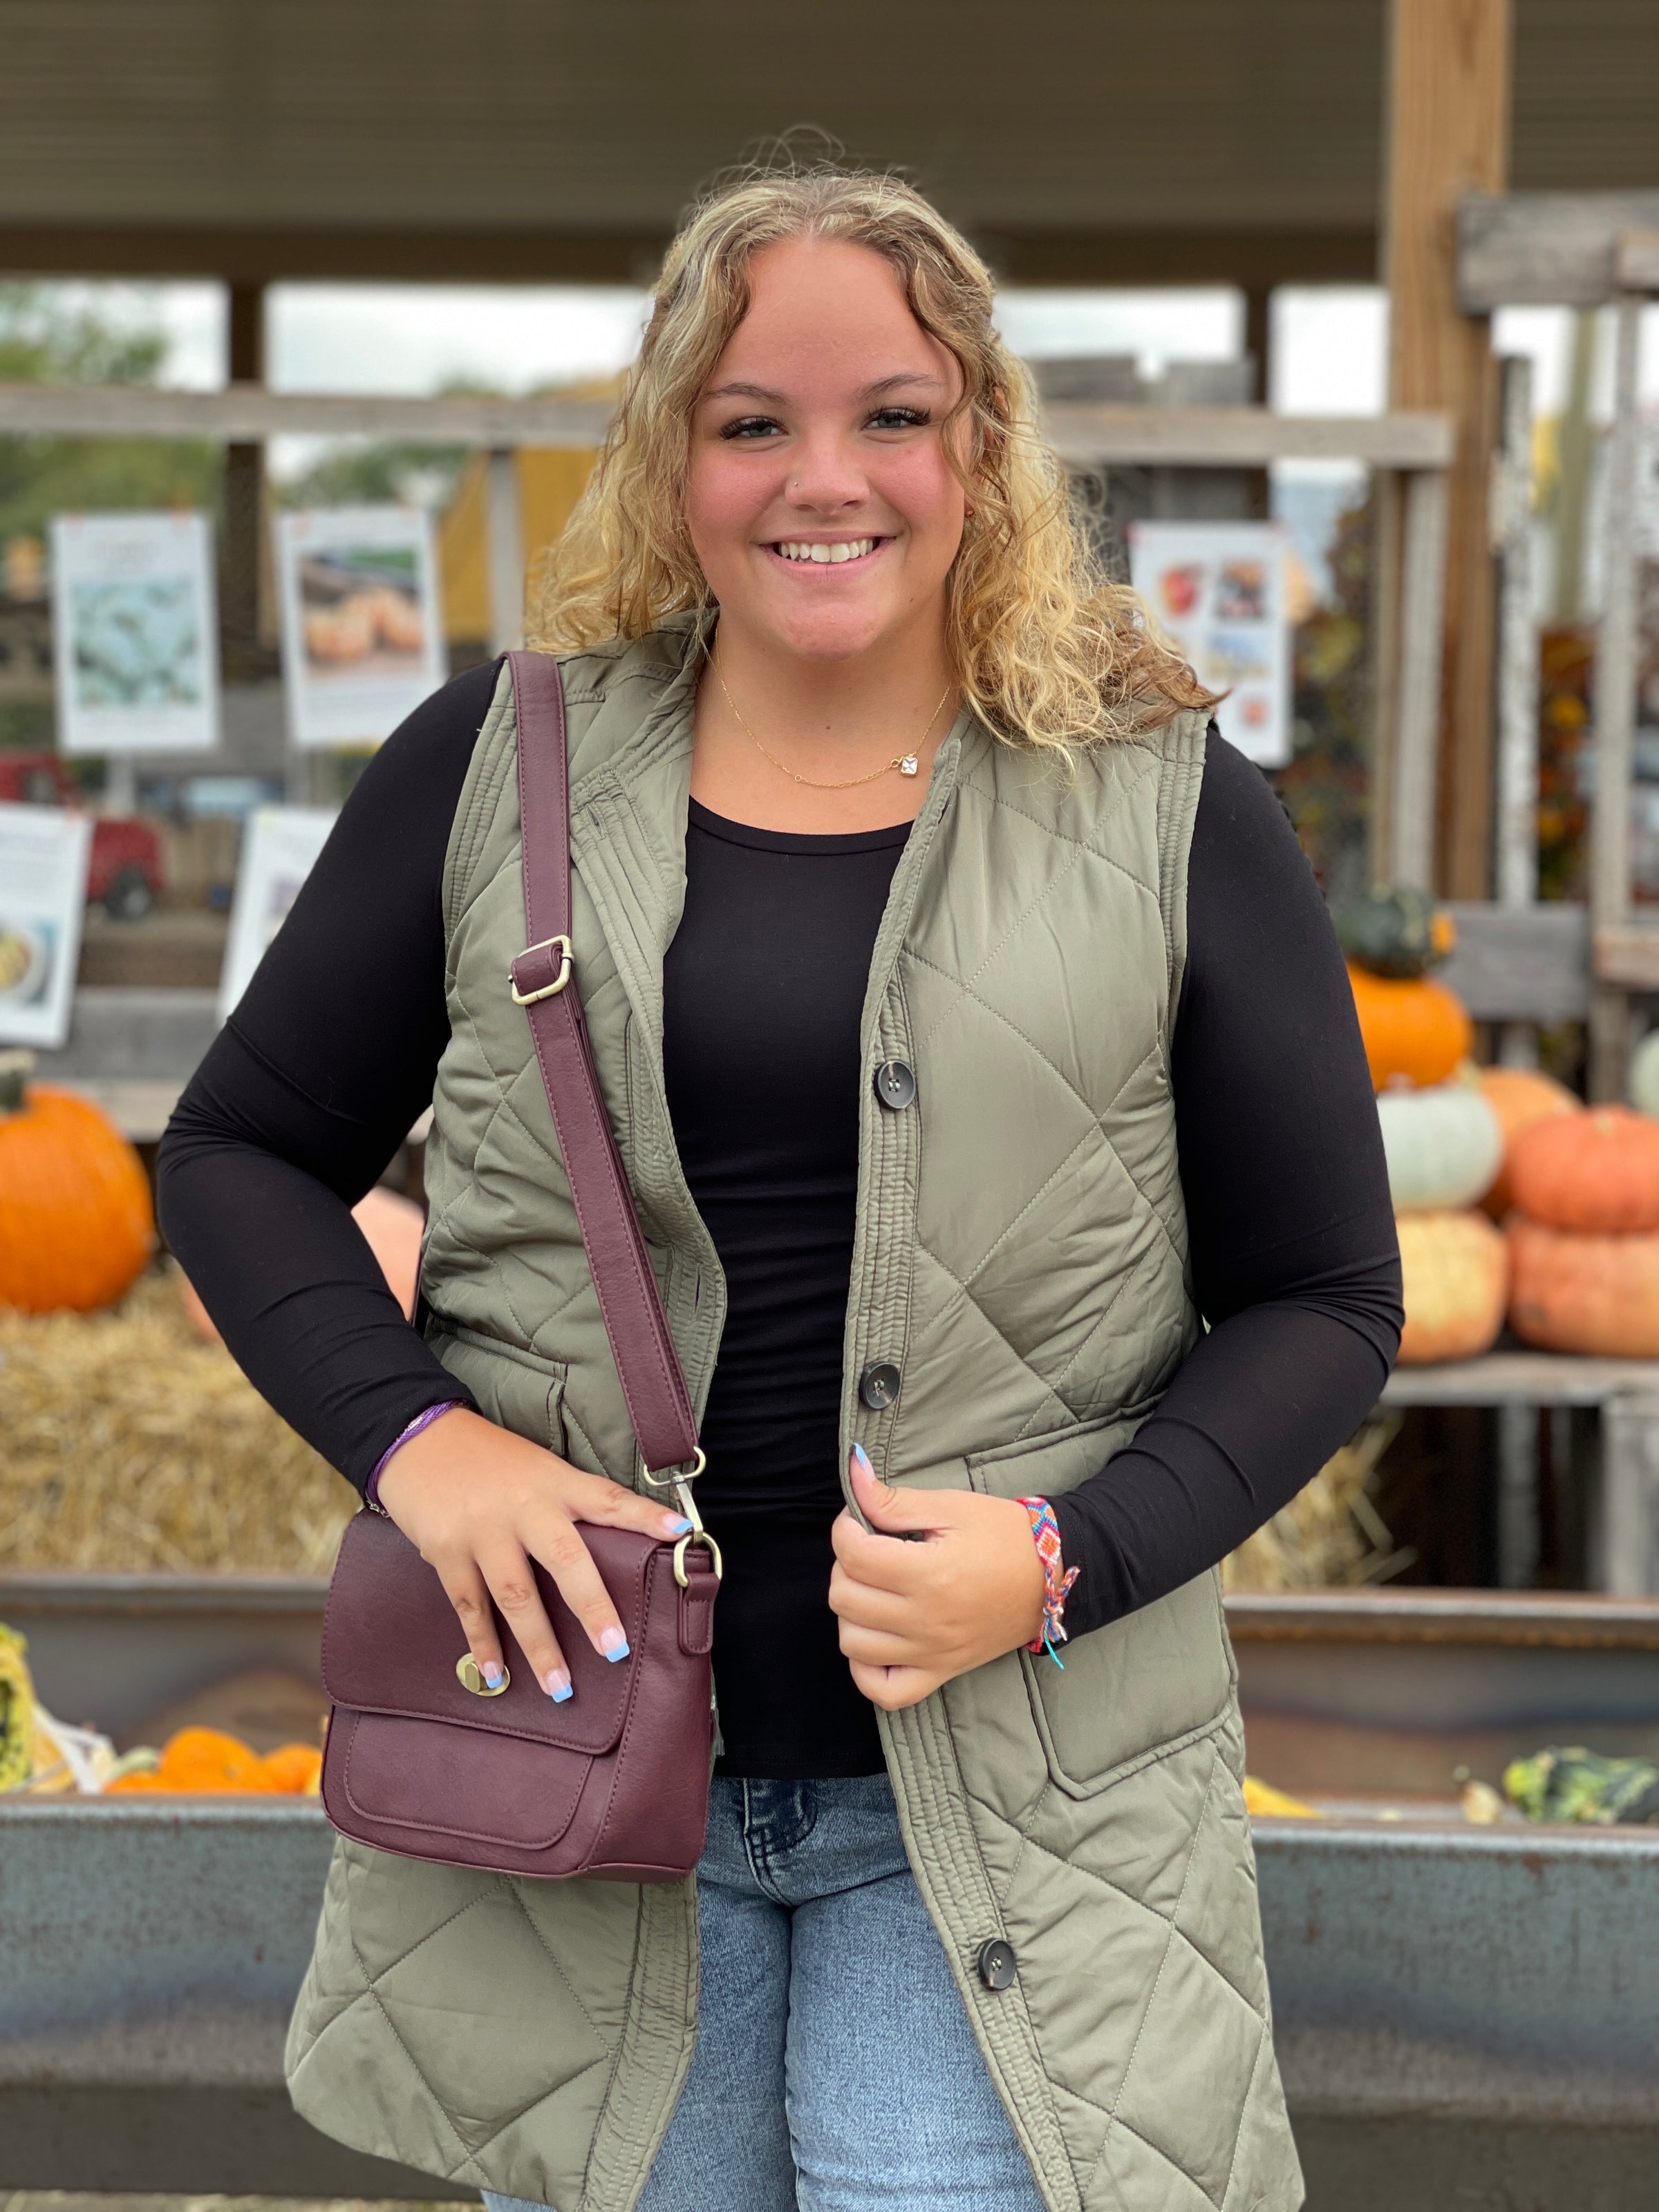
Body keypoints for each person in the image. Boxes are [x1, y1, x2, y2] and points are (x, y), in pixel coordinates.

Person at [159, 163, 1399, 2212]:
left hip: (1011, 1801)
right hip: (585, 1784)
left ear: (981, 443)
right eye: (755, 422)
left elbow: (1328, 1298)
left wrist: (1065, 1557)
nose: (827, 479)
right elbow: (238, 1154)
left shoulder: (1168, 800)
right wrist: (418, 1447)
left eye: (892, 414)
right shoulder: (501, 768)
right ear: (674, 453)